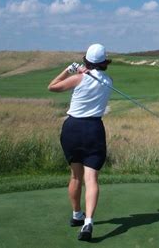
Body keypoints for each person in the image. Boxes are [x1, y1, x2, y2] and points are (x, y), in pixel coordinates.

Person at [48, 43, 113, 241]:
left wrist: (69, 70)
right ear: (104, 63)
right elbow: (96, 77)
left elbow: (52, 86)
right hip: (93, 129)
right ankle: (88, 222)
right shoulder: (108, 81)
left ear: (86, 61)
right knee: (91, 178)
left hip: (72, 129)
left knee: (76, 176)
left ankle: (77, 214)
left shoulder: (77, 78)